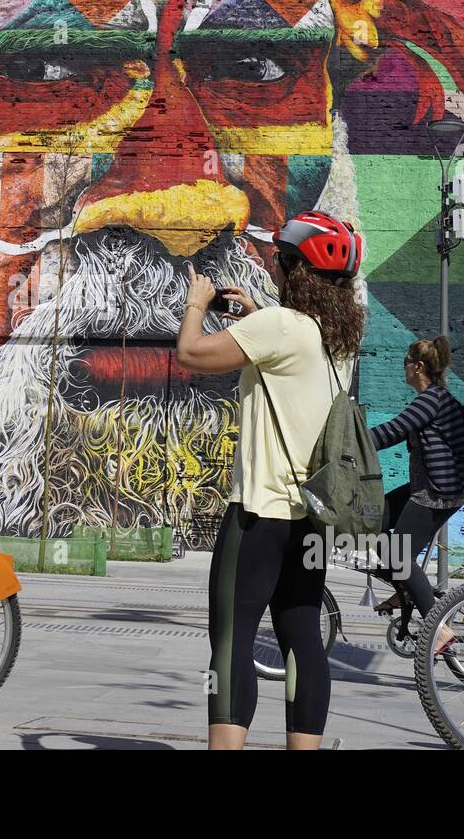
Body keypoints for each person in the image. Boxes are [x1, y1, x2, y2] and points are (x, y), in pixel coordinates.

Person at [176, 210, 366, 751]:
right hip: (311, 518)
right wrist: (256, 314)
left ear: (293, 269)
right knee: (301, 637)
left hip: (259, 516)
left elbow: (191, 353)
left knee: (231, 641)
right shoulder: (336, 340)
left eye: (279, 260)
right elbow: (290, 358)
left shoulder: (280, 327)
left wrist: (197, 303)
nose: (273, 267)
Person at [369, 336, 464, 633]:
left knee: (399, 555)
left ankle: (438, 629)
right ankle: (406, 588)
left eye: (405, 362)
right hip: (430, 486)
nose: (403, 368)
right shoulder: (437, 397)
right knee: (374, 520)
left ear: (417, 367)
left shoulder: (431, 399)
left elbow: (393, 430)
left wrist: (350, 441)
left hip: (437, 491)